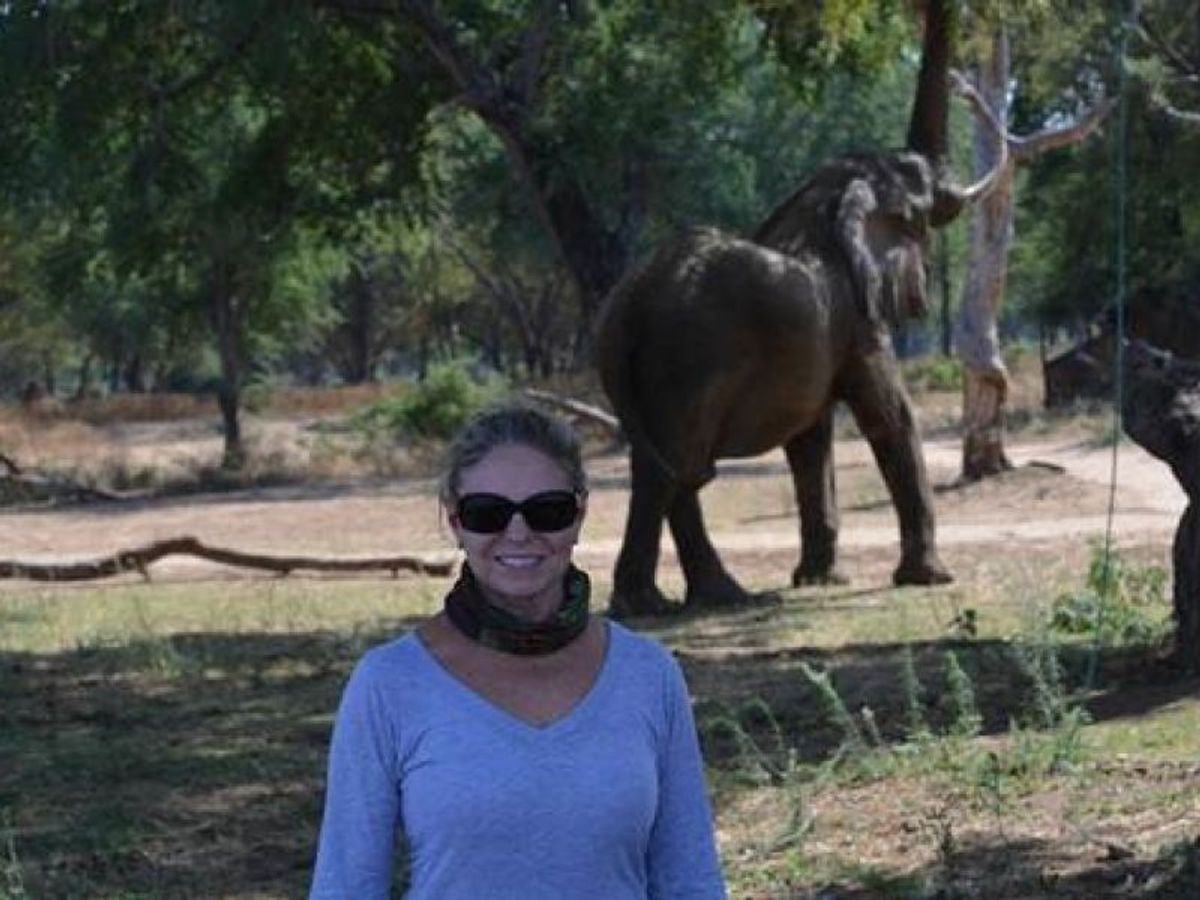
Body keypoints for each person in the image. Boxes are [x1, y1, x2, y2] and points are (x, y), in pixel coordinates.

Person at [310, 400, 727, 899]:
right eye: (487, 513)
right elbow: (346, 887)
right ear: (455, 521)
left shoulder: (649, 675)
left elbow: (691, 882)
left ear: (579, 513)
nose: (518, 534)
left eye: (546, 510)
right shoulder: (389, 684)